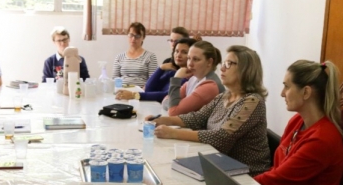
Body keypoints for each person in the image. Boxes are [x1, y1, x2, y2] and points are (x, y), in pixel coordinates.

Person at [152, 45, 270, 175]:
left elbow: (221, 137)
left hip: (247, 174)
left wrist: (172, 133)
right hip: (221, 165)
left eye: (229, 64)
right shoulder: (224, 96)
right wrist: (163, 120)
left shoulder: (253, 101)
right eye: (224, 63)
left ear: (245, 70)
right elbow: (197, 118)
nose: (223, 68)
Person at [254, 60, 343, 185]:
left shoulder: (322, 139)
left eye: (287, 86)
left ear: (306, 92)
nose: (282, 93)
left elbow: (278, 181)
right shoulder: (297, 121)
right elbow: (278, 171)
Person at [115, 37, 196, 102]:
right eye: (176, 51)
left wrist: (134, 95)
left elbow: (166, 96)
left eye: (184, 52)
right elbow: (149, 89)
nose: (178, 55)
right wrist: (160, 68)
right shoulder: (172, 72)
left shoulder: (189, 77)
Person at [162, 40, 225, 116]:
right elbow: (165, 101)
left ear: (209, 62)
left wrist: (176, 78)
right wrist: (174, 105)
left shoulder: (210, 85)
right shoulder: (194, 79)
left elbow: (173, 112)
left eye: (196, 59)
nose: (190, 64)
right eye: (189, 58)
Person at [112, 22, 158, 88]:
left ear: (143, 38)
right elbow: (115, 79)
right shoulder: (119, 57)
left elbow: (152, 81)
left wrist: (139, 93)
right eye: (131, 35)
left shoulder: (150, 56)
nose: (133, 39)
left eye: (137, 36)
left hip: (141, 93)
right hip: (122, 91)